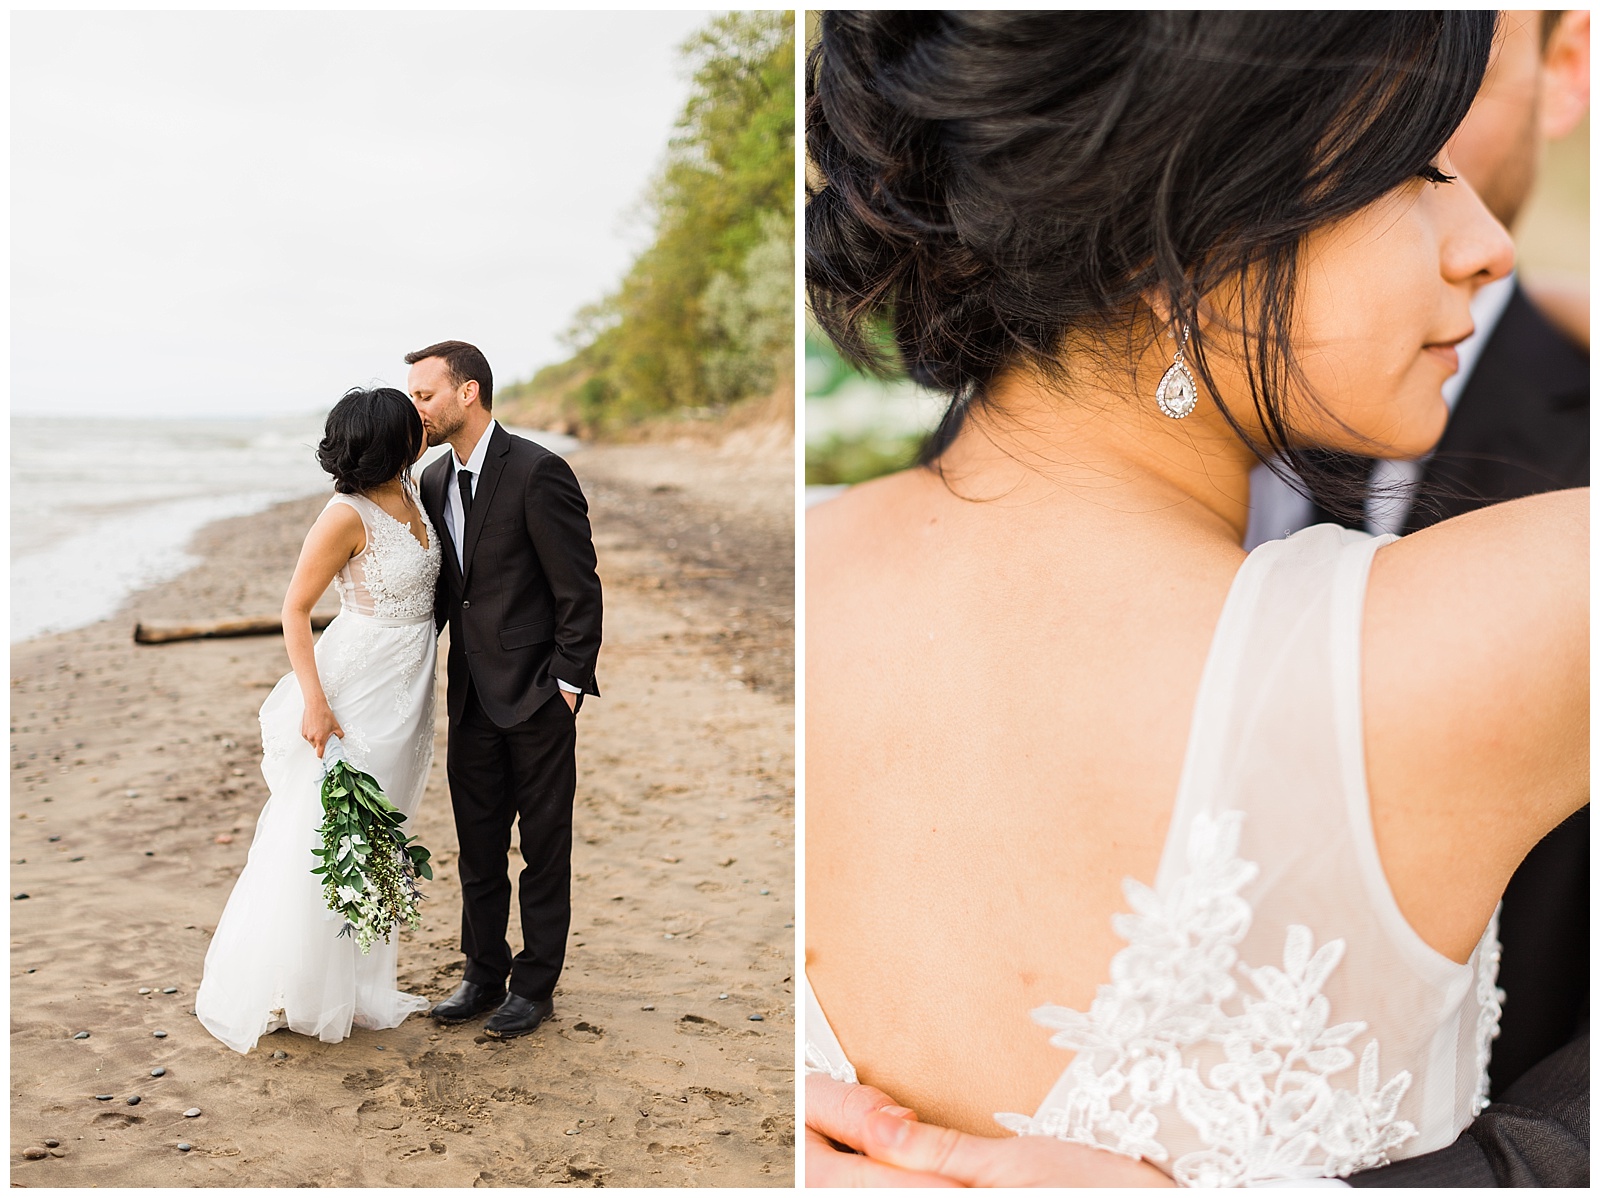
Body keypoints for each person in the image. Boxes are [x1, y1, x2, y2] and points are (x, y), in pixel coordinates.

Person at [803, 11, 1587, 1188]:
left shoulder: (809, 569)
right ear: (1191, 231)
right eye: (1415, 170)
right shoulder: (1475, 638)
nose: (1483, 242)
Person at [197, 387, 440, 1053]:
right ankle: (296, 986)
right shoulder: (344, 514)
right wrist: (315, 701)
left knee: (381, 825)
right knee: (328, 826)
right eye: (413, 421)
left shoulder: (413, 488)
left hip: (408, 684)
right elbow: (295, 609)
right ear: (392, 439)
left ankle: (352, 983)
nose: (425, 425)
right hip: (354, 685)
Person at [408, 340, 603, 1040]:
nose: (417, 408)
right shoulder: (431, 481)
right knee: (479, 846)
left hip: (539, 695)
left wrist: (570, 686)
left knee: (545, 848)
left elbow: (578, 590)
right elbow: (439, 597)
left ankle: (536, 983)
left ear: (469, 393)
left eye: (425, 394)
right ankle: (482, 973)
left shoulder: (538, 472)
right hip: (470, 700)